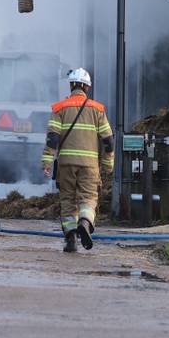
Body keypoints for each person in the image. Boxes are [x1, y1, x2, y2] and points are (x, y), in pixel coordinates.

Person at [41, 68, 114, 253]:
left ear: (71, 85)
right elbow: (108, 140)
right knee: (88, 198)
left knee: (67, 200)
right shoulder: (98, 109)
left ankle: (71, 239)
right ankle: (85, 222)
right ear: (87, 88)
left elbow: (52, 139)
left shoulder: (59, 108)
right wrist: (108, 164)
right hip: (90, 166)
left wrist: (47, 163)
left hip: (65, 164)